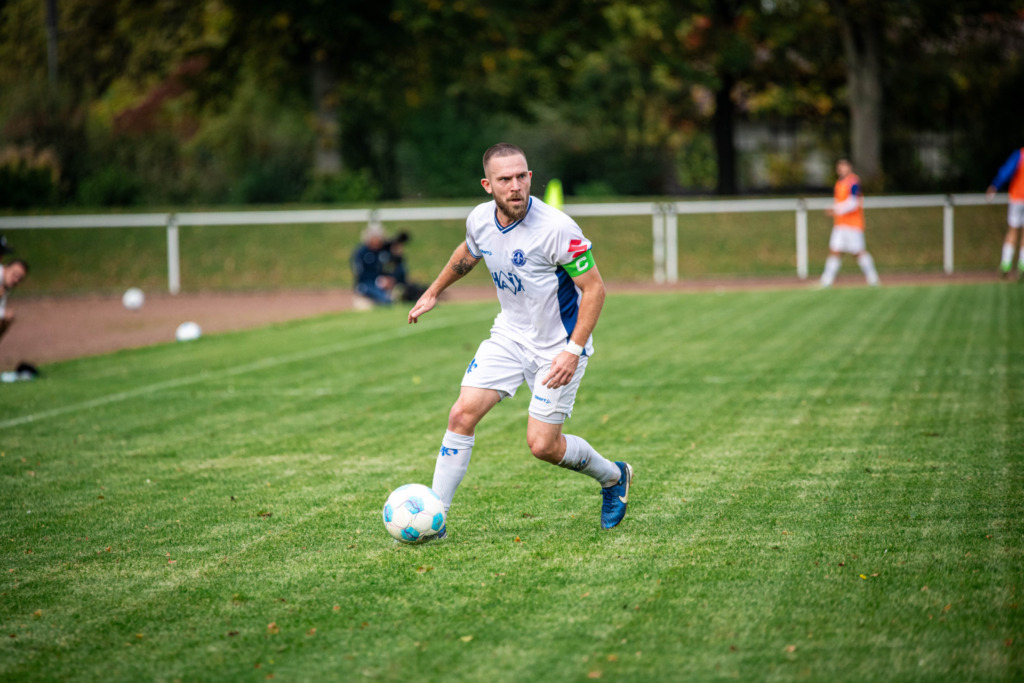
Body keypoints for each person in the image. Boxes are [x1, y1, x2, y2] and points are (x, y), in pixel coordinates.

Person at [407, 143, 632, 538]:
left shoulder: (557, 229)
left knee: (543, 446)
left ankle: (614, 477)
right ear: (487, 185)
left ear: (530, 177)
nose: (515, 186)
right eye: (504, 179)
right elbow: (469, 252)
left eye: (521, 176)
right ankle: (435, 519)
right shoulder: (480, 219)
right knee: (461, 415)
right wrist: (434, 290)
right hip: (509, 337)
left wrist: (572, 351)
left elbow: (594, 290)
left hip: (557, 348)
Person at [819, 158, 880, 288]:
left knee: (858, 252)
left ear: (849, 167)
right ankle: (826, 280)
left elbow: (853, 203)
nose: (841, 169)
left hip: (852, 224)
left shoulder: (853, 182)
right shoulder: (839, 183)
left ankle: (873, 278)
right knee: (835, 251)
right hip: (840, 224)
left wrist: (835, 209)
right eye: (839, 166)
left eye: (844, 166)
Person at [986, 147, 1024, 280]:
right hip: (1018, 198)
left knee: (1013, 230)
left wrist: (995, 185)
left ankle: (1006, 263)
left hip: (1017, 198)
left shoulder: (1020, 154)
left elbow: (1006, 171)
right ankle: (1022, 264)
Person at [350, 221, 396, 305]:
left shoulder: (384, 251)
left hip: (382, 283)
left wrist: (388, 279)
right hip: (366, 283)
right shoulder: (361, 253)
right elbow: (359, 273)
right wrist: (378, 281)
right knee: (383, 299)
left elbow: (390, 268)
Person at [0, 259, 29, 344]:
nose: (16, 280)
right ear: (5, 268)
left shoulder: (5, 285)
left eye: (20, 279)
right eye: (14, 274)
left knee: (6, 319)